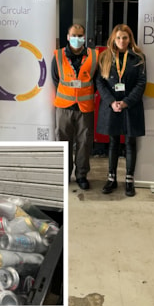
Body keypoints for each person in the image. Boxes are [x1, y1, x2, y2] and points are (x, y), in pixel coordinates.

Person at [96, 24, 146, 197]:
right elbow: (100, 83)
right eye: (118, 38)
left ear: (130, 39)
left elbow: (141, 83)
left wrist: (125, 102)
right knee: (113, 143)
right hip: (111, 107)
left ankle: (129, 181)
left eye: (125, 37)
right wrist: (111, 102)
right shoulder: (104, 57)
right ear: (113, 39)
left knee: (130, 143)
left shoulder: (138, 58)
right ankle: (111, 179)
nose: (121, 41)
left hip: (131, 106)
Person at [51, 24, 98, 190]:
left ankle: (81, 175)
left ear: (84, 37)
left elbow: (96, 81)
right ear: (67, 36)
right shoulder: (58, 55)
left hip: (85, 107)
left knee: (84, 143)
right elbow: (56, 79)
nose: (77, 39)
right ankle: (64, 175)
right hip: (64, 107)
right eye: (74, 35)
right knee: (63, 142)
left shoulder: (94, 55)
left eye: (80, 35)